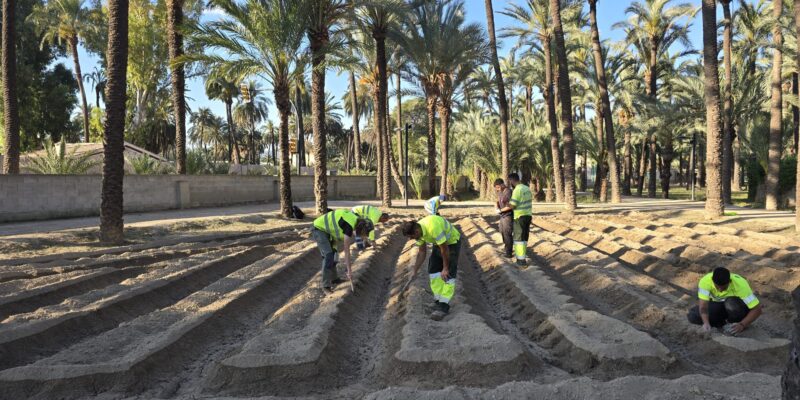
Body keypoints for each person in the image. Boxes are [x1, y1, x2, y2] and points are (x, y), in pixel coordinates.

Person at [401, 215, 462, 321]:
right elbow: (422, 252)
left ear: (416, 231)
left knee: (448, 275)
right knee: (433, 271)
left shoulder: (433, 227)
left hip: (451, 243)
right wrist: (414, 270)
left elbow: (445, 249)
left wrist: (445, 268)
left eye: (412, 236)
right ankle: (438, 301)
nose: (412, 239)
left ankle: (443, 307)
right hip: (439, 243)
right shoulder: (419, 232)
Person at [311, 209, 373, 292]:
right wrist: (349, 271)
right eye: (364, 232)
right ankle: (325, 286)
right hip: (319, 229)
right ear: (361, 228)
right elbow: (347, 252)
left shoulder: (355, 221)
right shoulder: (349, 227)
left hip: (329, 232)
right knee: (328, 255)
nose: (363, 235)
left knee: (334, 255)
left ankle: (334, 279)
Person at [687, 267, 763, 335]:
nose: (720, 290)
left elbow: (757, 309)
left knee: (730, 302)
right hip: (720, 305)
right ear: (713, 281)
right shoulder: (705, 282)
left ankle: (734, 324)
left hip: (738, 309)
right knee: (693, 316)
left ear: (730, 281)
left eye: (724, 288)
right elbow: (703, 307)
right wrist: (706, 323)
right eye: (717, 287)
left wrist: (742, 324)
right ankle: (722, 324)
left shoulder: (740, 285)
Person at [505, 173, 532, 266]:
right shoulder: (526, 188)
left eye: (510, 181)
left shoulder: (517, 190)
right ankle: (523, 256)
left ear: (512, 181)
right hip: (528, 216)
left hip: (519, 217)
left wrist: (506, 204)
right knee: (524, 238)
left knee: (518, 239)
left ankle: (520, 261)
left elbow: (513, 205)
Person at [494, 178, 514, 258]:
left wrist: (501, 210)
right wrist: (496, 206)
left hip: (508, 216)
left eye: (498, 187)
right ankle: (507, 248)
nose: (497, 189)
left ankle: (508, 252)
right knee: (501, 231)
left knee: (507, 233)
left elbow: (510, 206)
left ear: (502, 184)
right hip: (502, 216)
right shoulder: (500, 192)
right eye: (496, 188)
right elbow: (497, 201)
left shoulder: (508, 192)